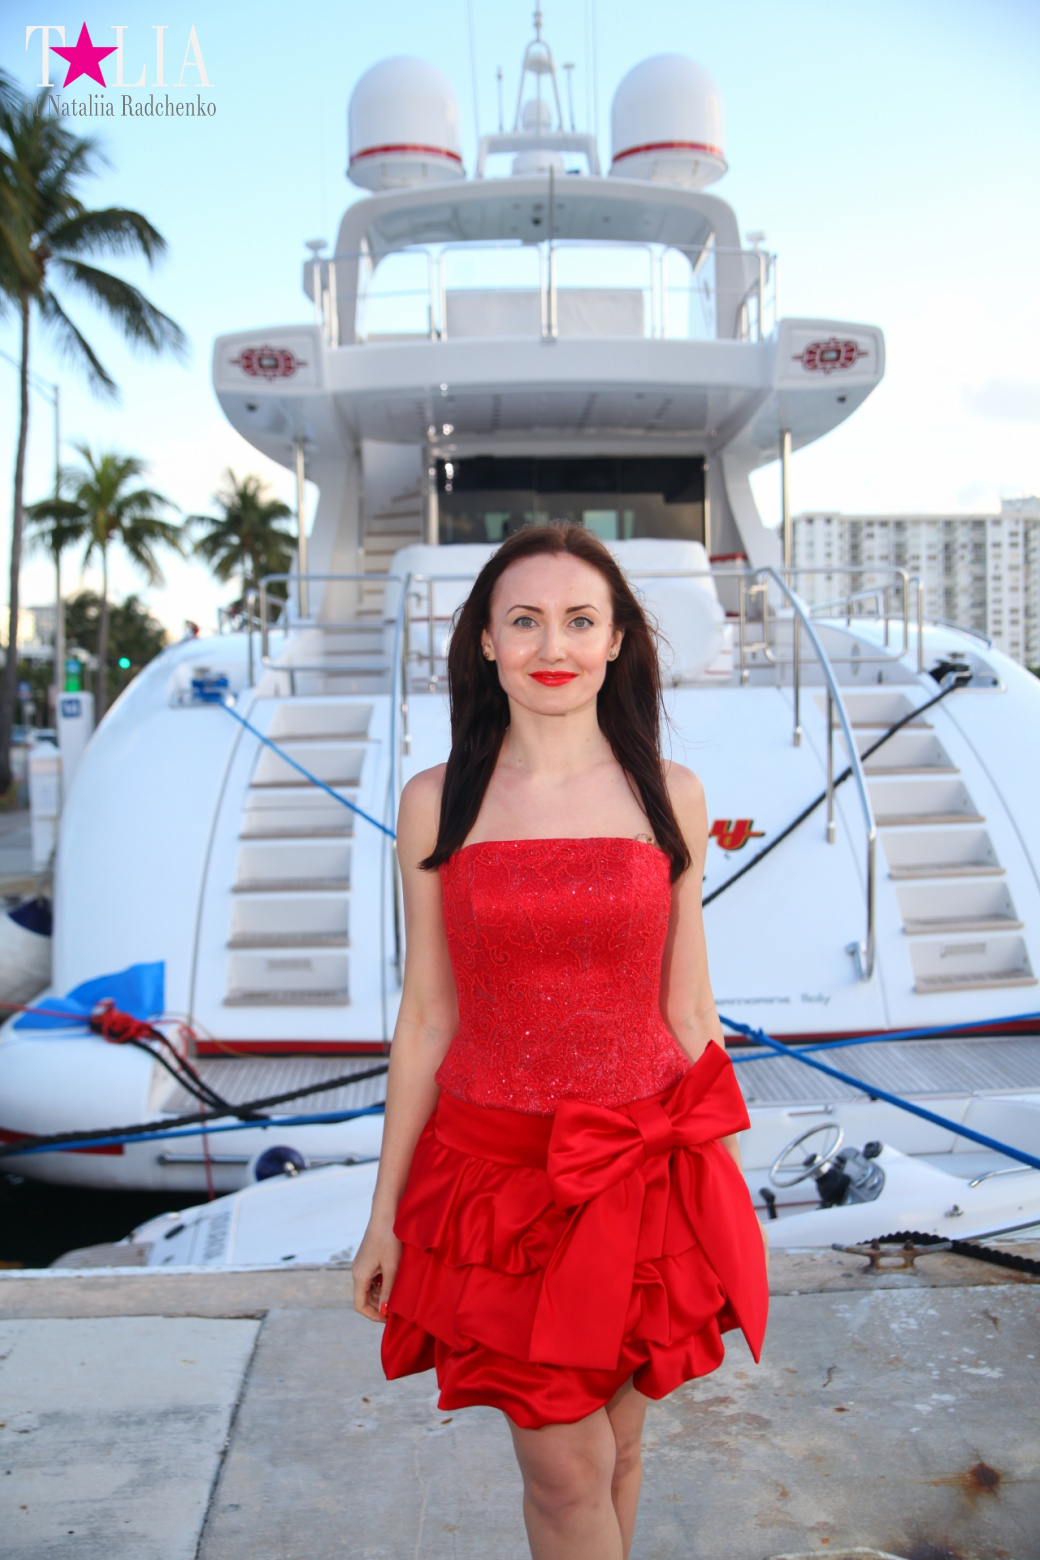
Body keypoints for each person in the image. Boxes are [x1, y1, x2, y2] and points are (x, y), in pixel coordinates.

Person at [353, 523, 769, 1560]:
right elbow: (426, 1018)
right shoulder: (433, 801)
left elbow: (688, 1013)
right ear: (485, 642)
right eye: (525, 619)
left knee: (620, 1450)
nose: (554, 643)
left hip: (644, 1176)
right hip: (497, 1185)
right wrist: (384, 1216)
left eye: (581, 619)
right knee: (564, 1469)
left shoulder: (667, 795)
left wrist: (719, 1194)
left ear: (619, 638)